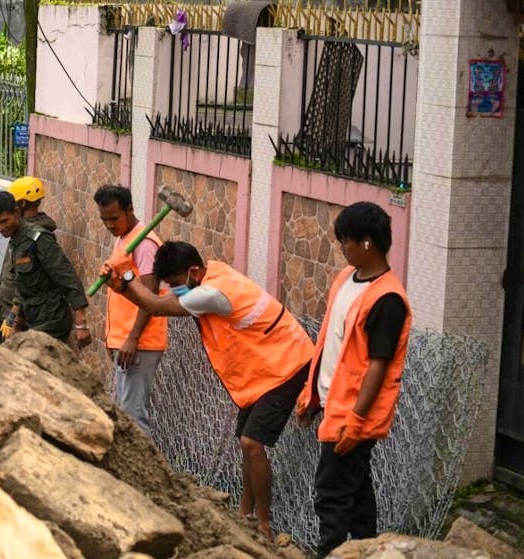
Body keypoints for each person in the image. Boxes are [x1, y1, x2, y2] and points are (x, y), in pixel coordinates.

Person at [100, 241, 314, 539]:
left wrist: (125, 279)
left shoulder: (212, 293)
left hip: (288, 365)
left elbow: (155, 306)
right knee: (245, 441)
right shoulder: (213, 272)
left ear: (193, 272)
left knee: (252, 443)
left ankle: (264, 525)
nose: (174, 289)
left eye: (175, 283)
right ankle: (245, 515)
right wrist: (124, 284)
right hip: (266, 367)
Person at [295, 202, 411, 558]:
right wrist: (311, 395)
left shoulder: (387, 300)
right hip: (334, 404)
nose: (340, 247)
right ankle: (369, 550)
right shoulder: (346, 279)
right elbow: (331, 342)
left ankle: (330, 553)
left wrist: (356, 421)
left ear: (367, 243)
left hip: (353, 416)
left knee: (331, 493)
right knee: (357, 492)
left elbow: (378, 366)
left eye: (345, 240)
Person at [94, 185, 167, 436]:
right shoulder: (124, 238)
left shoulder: (145, 244)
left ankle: (143, 475)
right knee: (125, 413)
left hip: (139, 342)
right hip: (124, 341)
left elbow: (150, 296)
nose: (110, 225)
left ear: (130, 210)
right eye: (104, 220)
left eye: (114, 218)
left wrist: (132, 338)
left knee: (133, 418)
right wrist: (112, 338)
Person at [0, 191, 90, 348]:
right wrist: (14, 321)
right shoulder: (16, 241)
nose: (0, 228)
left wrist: (81, 324)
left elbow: (67, 277)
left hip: (51, 322)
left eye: (4, 221)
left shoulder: (39, 239)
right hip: (32, 321)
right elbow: (22, 286)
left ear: (17, 212)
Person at [0, 176, 58, 342]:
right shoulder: (17, 231)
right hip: (9, 316)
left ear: (20, 206)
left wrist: (15, 318)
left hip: (20, 321)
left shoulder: (35, 238)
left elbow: (27, 283)